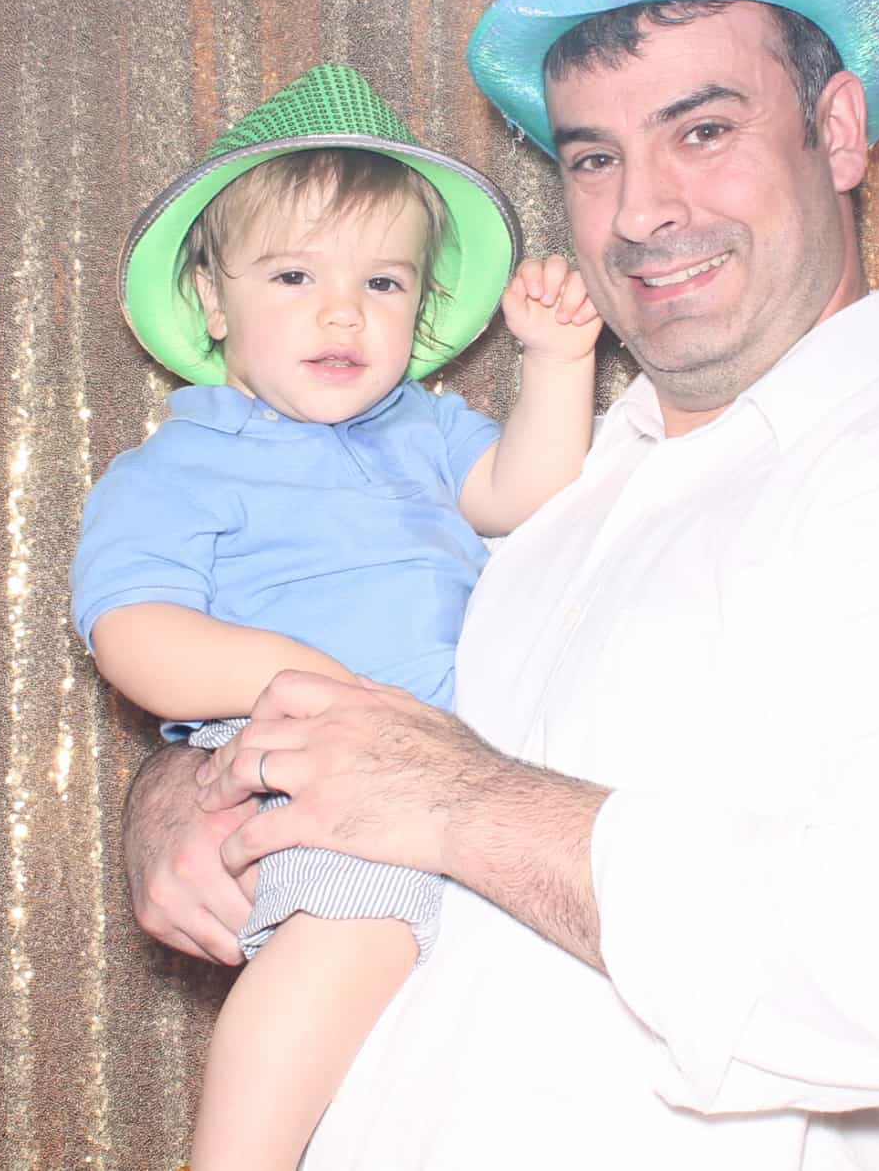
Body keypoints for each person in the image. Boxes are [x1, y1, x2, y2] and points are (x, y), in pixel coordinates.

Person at [126, 0, 879, 1169]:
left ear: (837, 130)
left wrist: (464, 801)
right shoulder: (558, 496)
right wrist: (182, 795)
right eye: (593, 158)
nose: (643, 210)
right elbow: (368, 731)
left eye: (702, 131)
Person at [73, 61, 600, 1171]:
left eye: (384, 282)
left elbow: (527, 495)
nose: (342, 311)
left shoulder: (427, 430)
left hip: (457, 755)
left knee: (450, 978)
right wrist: (299, 676)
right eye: (294, 274)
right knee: (355, 919)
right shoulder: (180, 463)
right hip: (296, 746)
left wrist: (559, 363)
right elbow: (134, 635)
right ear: (212, 300)